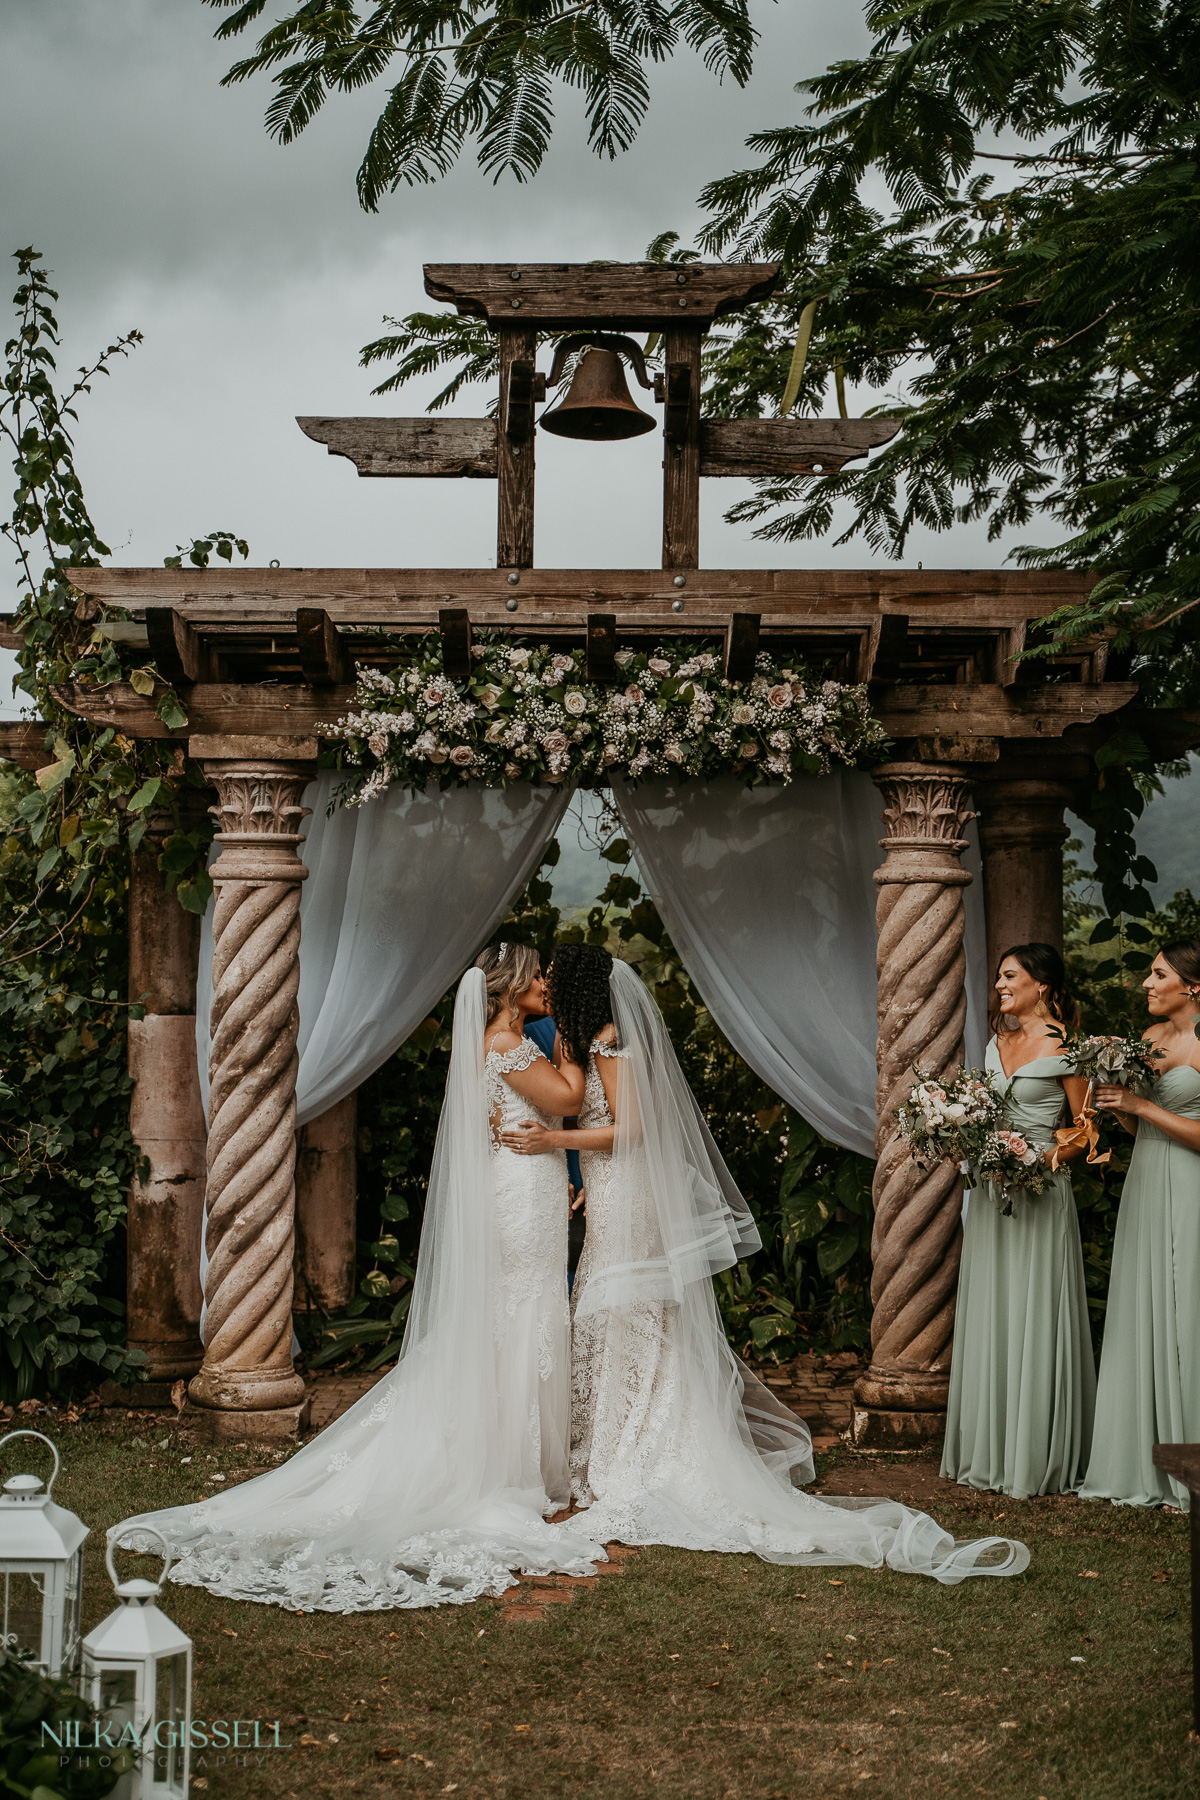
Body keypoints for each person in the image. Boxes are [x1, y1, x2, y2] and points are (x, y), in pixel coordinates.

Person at [503, 944, 1030, 1583]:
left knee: (628, 1310)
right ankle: (616, 1447)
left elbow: (635, 1130)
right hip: (612, 1192)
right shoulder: (582, 1042)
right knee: (611, 1309)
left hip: (631, 1193)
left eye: (556, 978)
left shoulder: (612, 1041)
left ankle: (646, 1450)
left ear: (583, 987)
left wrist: (555, 1140)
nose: (548, 986)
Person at [109, 945, 603, 1612]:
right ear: (513, 988)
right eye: (539, 976)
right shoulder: (509, 1041)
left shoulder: (506, 1038)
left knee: (526, 1313)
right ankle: (504, 1463)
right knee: (520, 1312)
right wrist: (572, 1037)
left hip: (530, 1189)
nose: (547, 984)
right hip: (519, 1197)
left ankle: (525, 1458)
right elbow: (568, 1098)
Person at [940, 943, 1095, 1498]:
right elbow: (982, 1112)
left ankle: (1036, 1452)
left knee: (1033, 1305)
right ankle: (989, 1447)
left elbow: (1085, 1131)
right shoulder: (994, 1043)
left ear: (1042, 985)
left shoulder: (1067, 1047)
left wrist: (1039, 1159)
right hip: (988, 1193)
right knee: (993, 1306)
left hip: (1039, 1191)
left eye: (1010, 976)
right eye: (999, 976)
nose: (1000, 985)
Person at [1080, 940, 1200, 1512]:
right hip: (1148, 1179)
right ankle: (1142, 1454)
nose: (1146, 984)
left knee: (1187, 1310)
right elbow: (1141, 1128)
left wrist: (1143, 1105)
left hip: (1192, 1187)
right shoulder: (1149, 1041)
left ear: (1193, 986)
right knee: (1146, 1305)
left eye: (1158, 974)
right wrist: (1123, 1112)